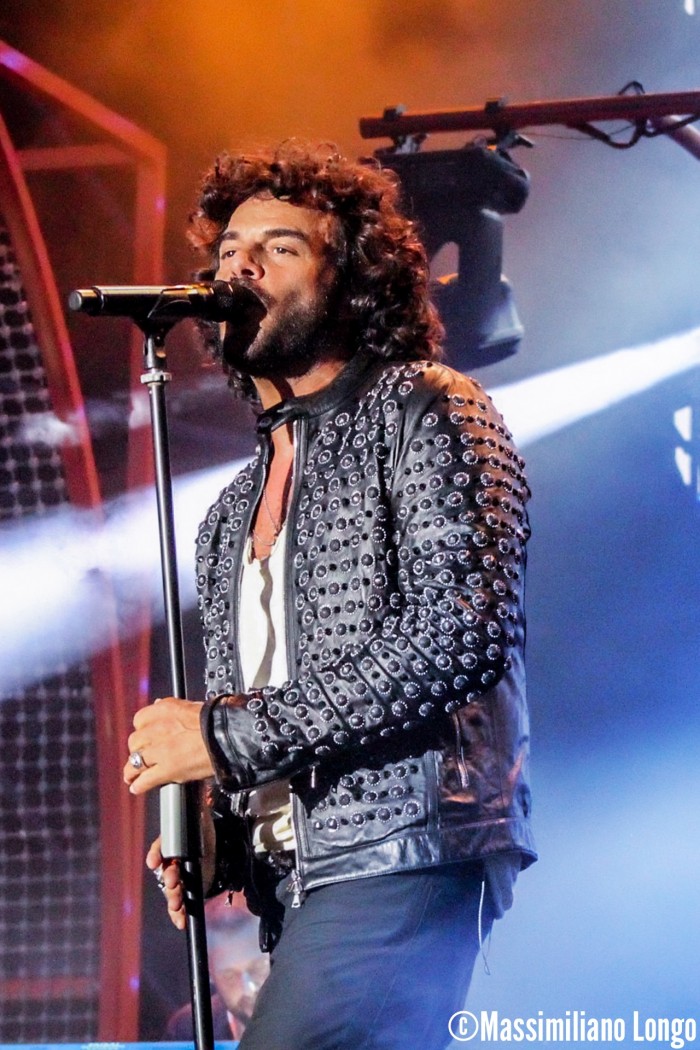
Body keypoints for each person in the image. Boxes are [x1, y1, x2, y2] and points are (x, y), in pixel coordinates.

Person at [123, 141, 536, 1050]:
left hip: (406, 849)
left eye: (280, 247)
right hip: (296, 882)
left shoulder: (429, 406)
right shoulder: (229, 512)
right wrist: (220, 822)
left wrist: (222, 738)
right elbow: (261, 701)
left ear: (353, 284)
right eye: (230, 250)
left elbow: (458, 637)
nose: (242, 267)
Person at [164, 892, 268, 1042]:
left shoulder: (303, 1014)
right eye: (230, 976)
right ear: (210, 975)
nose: (249, 988)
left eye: (258, 969)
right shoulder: (187, 1029)